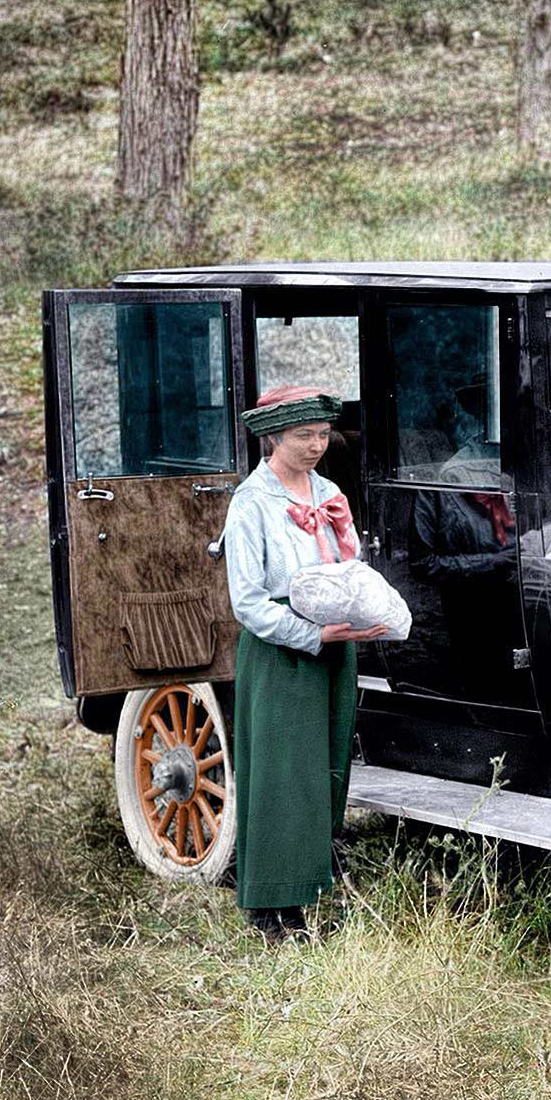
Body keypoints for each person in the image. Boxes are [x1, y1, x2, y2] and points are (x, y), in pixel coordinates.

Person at [221, 386, 391, 940]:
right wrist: (312, 633)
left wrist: (359, 608)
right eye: (304, 436)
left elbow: (348, 566)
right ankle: (272, 908)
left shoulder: (328, 490)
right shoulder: (251, 502)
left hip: (333, 646)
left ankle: (311, 878)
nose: (317, 445)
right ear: (273, 437)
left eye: (323, 435)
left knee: (325, 767)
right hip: (281, 652)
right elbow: (247, 602)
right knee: (281, 774)